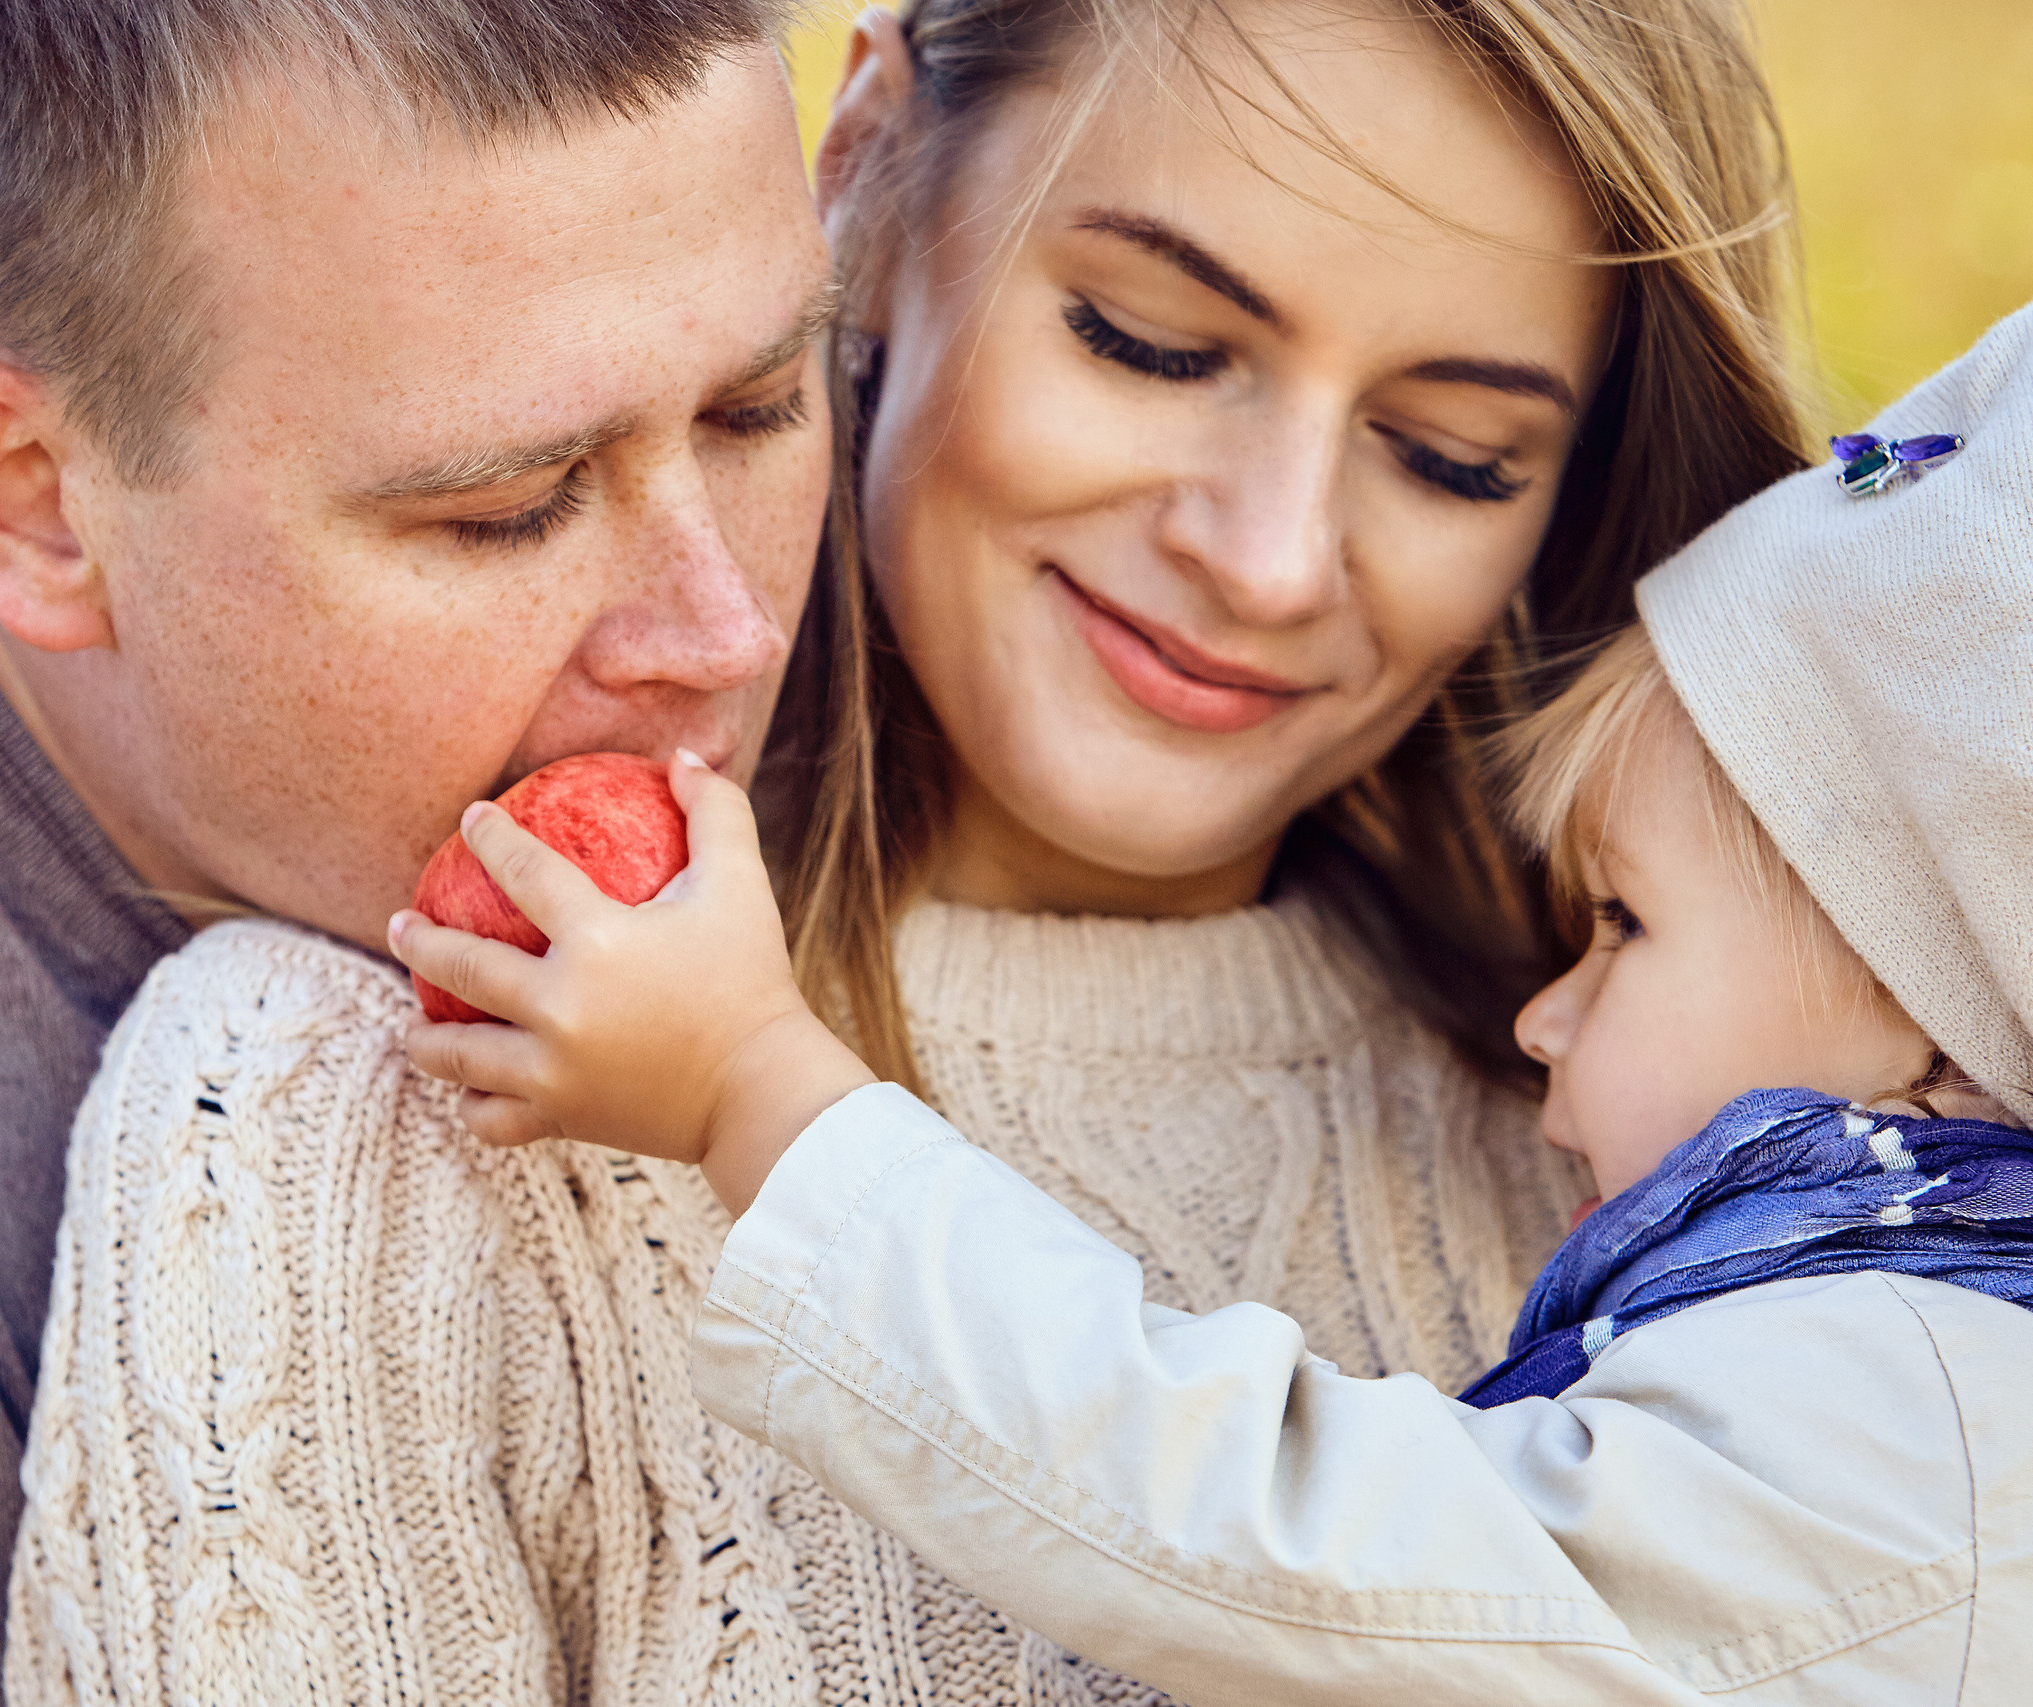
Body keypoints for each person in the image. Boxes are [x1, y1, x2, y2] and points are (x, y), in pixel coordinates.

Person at [16, 0, 1811, 1702]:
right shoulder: (372, 1113)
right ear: (870, 171)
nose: (1268, 559)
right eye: (1150, 343)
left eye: (1450, 456)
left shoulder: (1674, 1151)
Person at [0, 0, 832, 1699]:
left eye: (765, 407)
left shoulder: (937, 627)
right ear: (32, 498)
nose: (722, 634)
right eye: (508, 507)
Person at [390, 305, 2033, 1702]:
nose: (1547, 1014)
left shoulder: (1923, 1409)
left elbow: (1275, 1539)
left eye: (1623, 924)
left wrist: (758, 1083)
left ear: (1939, 1020)